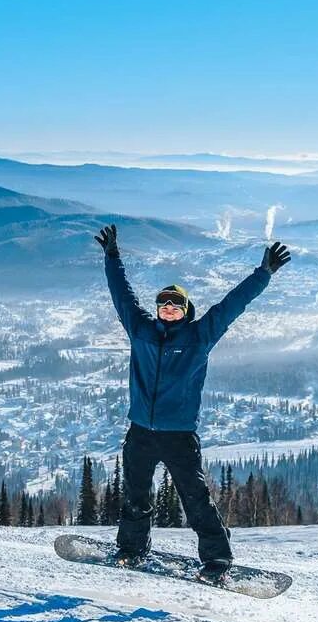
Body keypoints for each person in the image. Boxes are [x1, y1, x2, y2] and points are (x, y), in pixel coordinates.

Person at [94, 224, 290, 580]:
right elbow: (121, 294)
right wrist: (112, 257)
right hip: (140, 430)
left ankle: (217, 560)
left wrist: (263, 274)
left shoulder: (200, 336)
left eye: (176, 304)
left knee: (195, 498)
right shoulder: (140, 330)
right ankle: (131, 548)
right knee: (135, 495)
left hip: (178, 435)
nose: (168, 308)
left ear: (186, 309)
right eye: (163, 304)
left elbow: (232, 304)